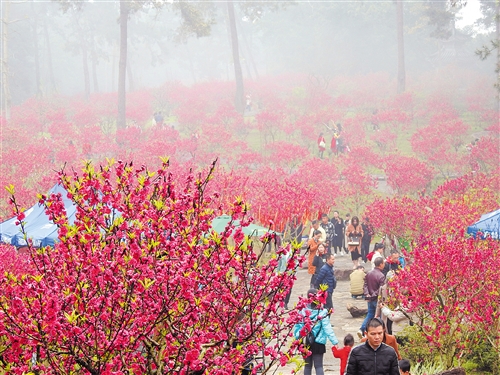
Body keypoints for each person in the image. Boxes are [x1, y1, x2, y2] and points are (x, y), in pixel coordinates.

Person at [294, 288, 339, 375]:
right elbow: (327, 328)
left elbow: (297, 327)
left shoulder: (302, 311)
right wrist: (334, 341)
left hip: (305, 341)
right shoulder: (323, 312)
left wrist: (297, 338)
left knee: (307, 366)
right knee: (319, 366)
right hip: (319, 342)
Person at [357, 257, 386, 339]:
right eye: (383, 263)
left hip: (369, 298)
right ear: (380, 264)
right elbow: (381, 289)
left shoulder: (369, 273)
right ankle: (377, 333)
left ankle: (361, 329)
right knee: (378, 316)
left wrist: (367, 294)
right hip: (376, 299)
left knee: (369, 314)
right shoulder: (381, 276)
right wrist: (373, 294)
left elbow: (365, 284)